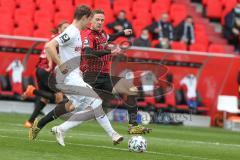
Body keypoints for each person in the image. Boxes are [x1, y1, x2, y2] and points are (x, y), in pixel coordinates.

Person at [52, 10, 151, 145]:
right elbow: (88, 53)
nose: (100, 22)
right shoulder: (87, 35)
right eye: (97, 20)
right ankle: (51, 123)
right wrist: (109, 50)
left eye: (102, 20)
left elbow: (109, 37)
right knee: (81, 108)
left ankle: (133, 125)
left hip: (105, 76)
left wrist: (122, 33)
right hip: (91, 77)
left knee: (131, 89)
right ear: (91, 20)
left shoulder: (103, 34)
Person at [29, 6, 123, 146]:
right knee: (96, 102)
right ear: (84, 17)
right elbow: (49, 46)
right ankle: (113, 135)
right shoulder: (72, 32)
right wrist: (61, 65)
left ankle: (46, 125)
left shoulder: (78, 33)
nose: (89, 23)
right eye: (90, 19)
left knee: (76, 107)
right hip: (68, 77)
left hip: (75, 75)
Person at [22, 21, 69, 128]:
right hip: (45, 71)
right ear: (59, 30)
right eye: (65, 28)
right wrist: (50, 62)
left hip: (42, 70)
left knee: (45, 99)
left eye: (69, 28)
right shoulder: (59, 38)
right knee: (59, 98)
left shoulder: (56, 37)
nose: (67, 30)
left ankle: (29, 122)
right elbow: (48, 48)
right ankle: (32, 91)